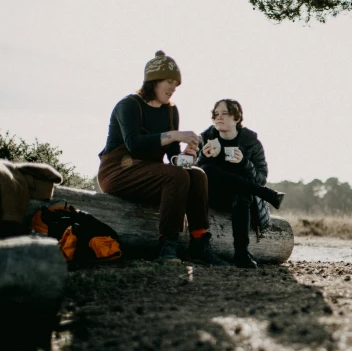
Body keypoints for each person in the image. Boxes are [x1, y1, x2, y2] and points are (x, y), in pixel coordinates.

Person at [97, 51, 228, 266]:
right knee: (176, 176)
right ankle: (167, 244)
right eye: (169, 81)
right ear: (153, 81)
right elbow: (134, 144)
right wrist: (175, 135)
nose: (173, 88)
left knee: (197, 175)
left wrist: (187, 155)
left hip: (152, 173)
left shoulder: (170, 111)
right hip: (118, 172)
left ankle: (199, 243)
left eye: (176, 83)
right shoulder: (129, 105)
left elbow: (172, 157)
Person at [196, 99, 285, 269]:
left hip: (239, 199)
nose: (219, 118)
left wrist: (244, 162)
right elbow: (197, 173)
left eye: (224, 113)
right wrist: (204, 156)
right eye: (216, 114)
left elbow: (261, 176)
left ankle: (241, 253)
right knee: (207, 168)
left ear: (236, 118)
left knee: (242, 196)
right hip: (211, 195)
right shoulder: (206, 139)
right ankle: (267, 194)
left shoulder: (251, 143)